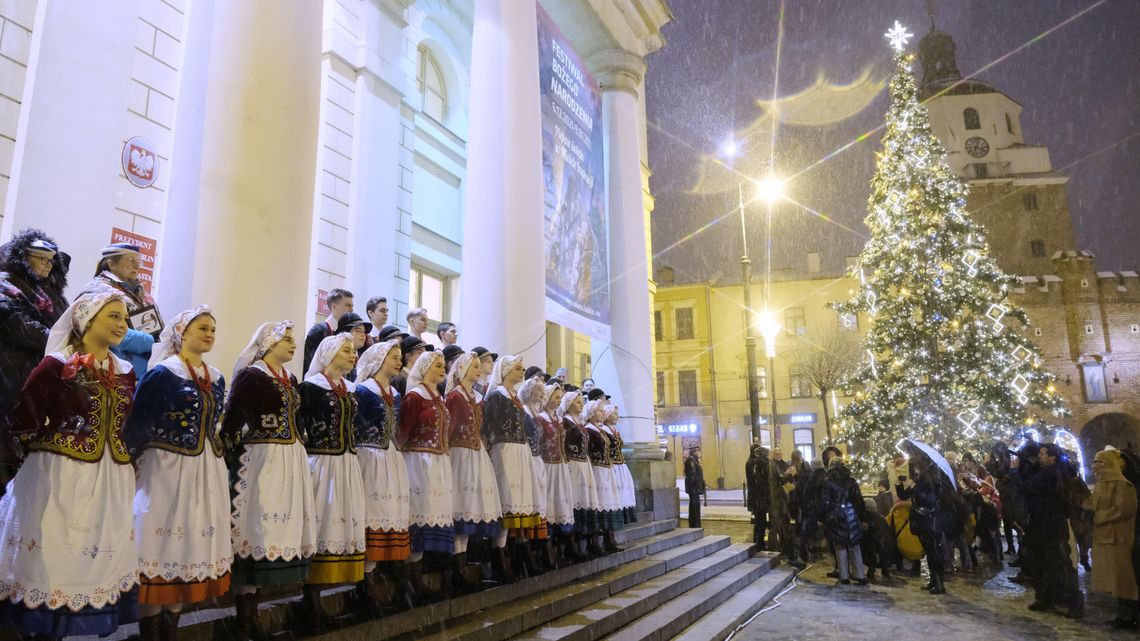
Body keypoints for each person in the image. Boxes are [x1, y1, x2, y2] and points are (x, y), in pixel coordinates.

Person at [0, 292, 139, 638]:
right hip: (60, 477)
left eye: (125, 318)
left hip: (110, 476)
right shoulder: (57, 365)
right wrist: (41, 456)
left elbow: (127, 423)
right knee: (55, 553)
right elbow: (24, 417)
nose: (122, 324)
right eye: (113, 316)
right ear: (86, 320)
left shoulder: (126, 371)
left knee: (91, 553)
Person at [125, 306, 232, 641]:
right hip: (165, 469)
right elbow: (137, 422)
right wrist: (129, 462)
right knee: (160, 543)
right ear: (181, 333)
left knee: (188, 547)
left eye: (213, 329)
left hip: (204, 470)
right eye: (202, 328)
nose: (209, 334)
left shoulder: (217, 377)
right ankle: (150, 630)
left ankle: (171, 628)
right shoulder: (163, 373)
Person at [221, 321, 317, 641]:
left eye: (293, 339)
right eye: (286, 339)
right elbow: (233, 419)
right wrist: (228, 459)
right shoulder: (252, 376)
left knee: (270, 534)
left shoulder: (289, 378)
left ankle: (253, 613)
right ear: (268, 343)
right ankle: (244, 619)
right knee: (254, 531)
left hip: (288, 460)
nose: (293, 345)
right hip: (260, 461)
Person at [297, 334, 367, 631]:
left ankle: (320, 597)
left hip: (346, 463)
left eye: (353, 351)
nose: (353, 355)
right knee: (321, 525)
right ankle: (310, 601)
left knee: (336, 526)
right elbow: (299, 426)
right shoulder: (310, 387)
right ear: (329, 354)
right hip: (322, 463)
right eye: (346, 350)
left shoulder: (350, 389)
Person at [0, 230, 69, 488]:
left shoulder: (49, 292)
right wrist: (60, 341)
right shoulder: (6, 285)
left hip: (36, 376)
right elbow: (19, 326)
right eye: (40, 258)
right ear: (23, 257)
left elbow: (67, 323)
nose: (47, 265)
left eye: (50, 260)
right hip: (9, 374)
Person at [353, 339, 413, 610]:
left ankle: (376, 573)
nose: (399, 361)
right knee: (372, 513)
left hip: (389, 457)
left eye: (400, 357)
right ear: (378, 360)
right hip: (369, 458)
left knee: (388, 513)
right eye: (394, 357)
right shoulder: (363, 391)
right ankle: (364, 580)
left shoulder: (395, 394)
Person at [396, 350, 453, 598]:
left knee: (429, 516)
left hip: (437, 463)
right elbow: (402, 433)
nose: (442, 369)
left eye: (443, 365)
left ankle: (417, 573)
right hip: (418, 463)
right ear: (424, 368)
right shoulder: (415, 396)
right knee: (416, 516)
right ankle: (408, 578)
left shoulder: (438, 396)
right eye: (437, 365)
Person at [444, 352, 503, 589]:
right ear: (462, 369)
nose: (478, 370)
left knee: (469, 509)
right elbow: (449, 428)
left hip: (475, 453)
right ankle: (457, 566)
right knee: (460, 507)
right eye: (474, 366)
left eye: (480, 366)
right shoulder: (455, 396)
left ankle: (463, 563)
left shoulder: (476, 397)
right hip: (459, 453)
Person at [483, 355, 544, 574]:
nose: (522, 371)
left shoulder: (514, 397)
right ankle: (498, 555)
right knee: (507, 501)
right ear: (506, 371)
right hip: (504, 451)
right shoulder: (497, 396)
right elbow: (487, 427)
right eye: (518, 368)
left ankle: (513, 551)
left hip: (519, 451)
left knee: (518, 501)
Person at [1023, 443, 1084, 618]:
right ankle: (1048, 597)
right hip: (1046, 522)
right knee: (1047, 562)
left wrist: (1022, 470)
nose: (1039, 457)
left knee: (1060, 563)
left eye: (1043, 454)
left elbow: (1029, 487)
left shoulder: (1053, 473)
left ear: (1053, 457)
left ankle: (1073, 601)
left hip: (1051, 523)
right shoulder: (1053, 472)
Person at [81, 243, 161, 376]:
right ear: (111, 264)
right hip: (111, 369)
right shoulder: (98, 290)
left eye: (138, 260)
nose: (137, 266)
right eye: (131, 260)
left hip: (143, 370)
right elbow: (102, 329)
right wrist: (152, 342)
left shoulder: (141, 293)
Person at [1091, 448, 1140, 628]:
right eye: (1095, 461)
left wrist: (1100, 516)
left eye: (1100, 462)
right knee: (1116, 577)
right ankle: (1124, 612)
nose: (1096, 465)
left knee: (1125, 576)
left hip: (1123, 537)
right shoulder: (1102, 483)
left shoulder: (1123, 484)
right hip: (1108, 536)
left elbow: (1125, 508)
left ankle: (1130, 614)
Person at [898, 453, 953, 595]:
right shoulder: (919, 480)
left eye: (916, 466)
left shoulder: (931, 480)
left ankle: (940, 584)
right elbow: (904, 496)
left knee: (935, 553)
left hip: (931, 521)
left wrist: (916, 489)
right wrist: (900, 484)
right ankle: (933, 581)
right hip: (922, 521)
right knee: (929, 553)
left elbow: (929, 499)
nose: (914, 469)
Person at [560, 386, 604, 558]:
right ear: (569, 404)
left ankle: (586, 543)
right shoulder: (566, 422)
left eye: (581, 402)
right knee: (575, 501)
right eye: (577, 402)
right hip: (574, 464)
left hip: (584, 464)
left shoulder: (578, 422)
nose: (580, 404)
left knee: (585, 501)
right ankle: (572, 545)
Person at [539, 380, 577, 563]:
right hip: (547, 465)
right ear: (546, 398)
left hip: (560, 465)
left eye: (560, 398)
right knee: (549, 503)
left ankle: (564, 545)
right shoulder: (541, 418)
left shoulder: (559, 420)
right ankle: (547, 547)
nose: (558, 400)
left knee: (561, 503)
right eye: (555, 397)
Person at [519, 373, 553, 573]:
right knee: (530, 502)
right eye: (539, 390)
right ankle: (526, 551)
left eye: (542, 390)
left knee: (539, 503)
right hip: (528, 460)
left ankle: (537, 550)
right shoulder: (524, 412)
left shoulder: (536, 413)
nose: (542, 393)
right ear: (529, 392)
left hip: (538, 460)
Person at [584, 397, 624, 551]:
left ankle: (609, 538)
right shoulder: (589, 429)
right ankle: (595, 542)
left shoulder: (599, 429)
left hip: (606, 469)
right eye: (599, 411)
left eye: (602, 411)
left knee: (608, 503)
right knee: (600, 504)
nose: (602, 413)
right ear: (591, 413)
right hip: (597, 469)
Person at [820, 458, 867, 586]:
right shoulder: (851, 481)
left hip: (836, 516)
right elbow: (858, 500)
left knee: (840, 546)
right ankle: (860, 574)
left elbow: (825, 502)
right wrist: (862, 517)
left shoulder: (828, 482)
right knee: (854, 545)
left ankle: (844, 576)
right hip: (851, 514)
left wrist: (823, 517)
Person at [303, 288, 353, 373]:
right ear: (334, 306)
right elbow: (309, 364)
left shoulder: (347, 332)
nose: (351, 310)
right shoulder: (318, 331)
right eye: (348, 305)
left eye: (352, 306)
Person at [603, 402, 637, 525]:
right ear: (607, 415)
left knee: (624, 491)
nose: (617, 417)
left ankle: (624, 516)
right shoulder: (604, 430)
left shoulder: (615, 430)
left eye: (617, 414)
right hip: (613, 465)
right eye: (614, 414)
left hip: (621, 465)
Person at [333, 311, 371, 380]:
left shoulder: (364, 360)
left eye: (363, 331)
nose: (363, 334)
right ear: (345, 333)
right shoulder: (335, 358)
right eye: (358, 330)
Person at [745, 445, 770, 546]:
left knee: (758, 521)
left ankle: (757, 541)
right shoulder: (758, 464)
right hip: (759, 497)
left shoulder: (751, 462)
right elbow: (760, 482)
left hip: (755, 496)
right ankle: (759, 543)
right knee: (761, 521)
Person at [684, 446, 706, 528]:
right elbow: (693, 476)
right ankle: (695, 524)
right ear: (694, 452)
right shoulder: (691, 461)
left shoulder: (694, 460)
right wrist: (696, 488)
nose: (699, 453)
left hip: (694, 488)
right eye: (697, 451)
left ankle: (696, 524)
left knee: (696, 506)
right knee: (694, 506)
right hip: (694, 489)